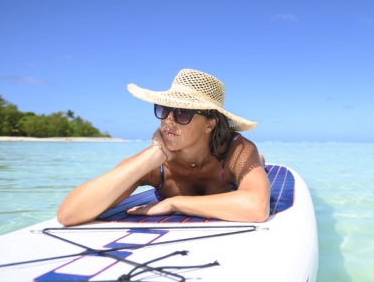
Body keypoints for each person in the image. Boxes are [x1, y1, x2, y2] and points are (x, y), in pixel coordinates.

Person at [57, 69, 270, 226]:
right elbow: (68, 215)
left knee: (255, 162)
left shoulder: (237, 151)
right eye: (164, 109)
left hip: (232, 160)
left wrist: (174, 203)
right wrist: (154, 155)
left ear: (210, 123)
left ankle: (260, 161)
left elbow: (257, 208)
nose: (168, 120)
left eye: (182, 112)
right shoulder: (155, 165)